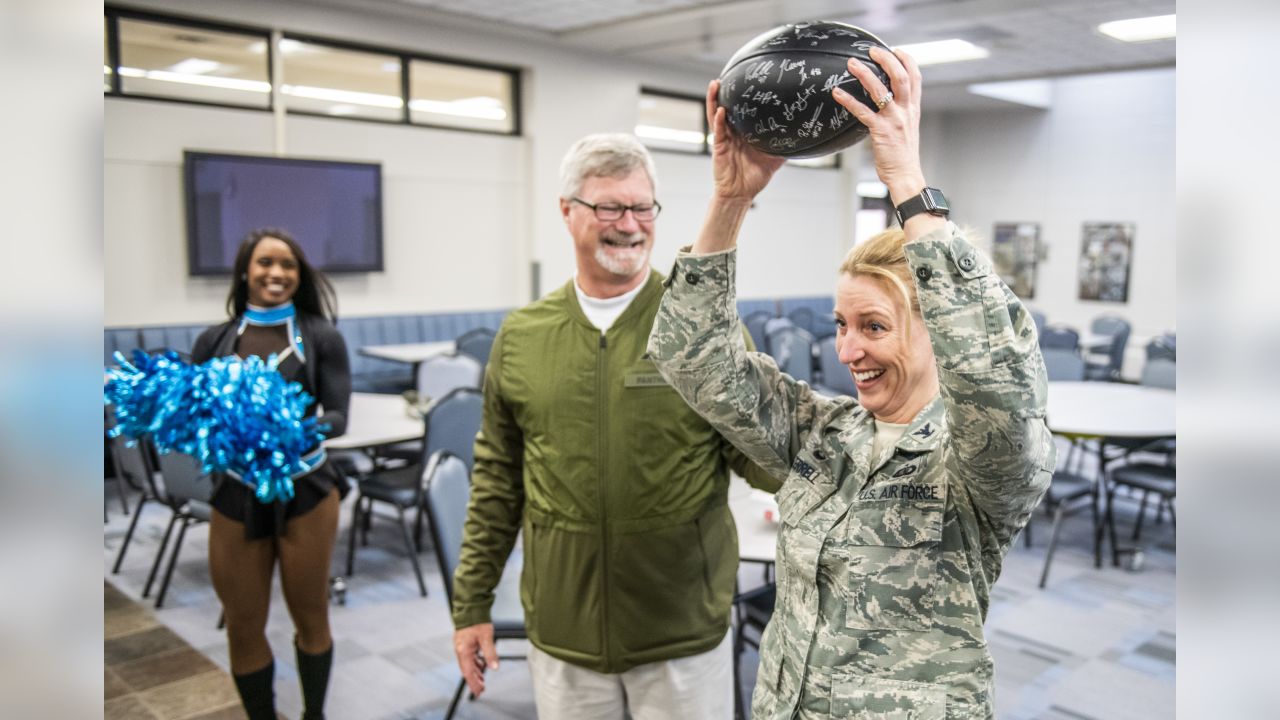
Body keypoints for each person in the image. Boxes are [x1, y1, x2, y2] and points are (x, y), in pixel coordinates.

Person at [647, 48, 1056, 718]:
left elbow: (998, 383)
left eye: (873, 326)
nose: (848, 350)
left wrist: (906, 180)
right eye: (842, 325)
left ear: (934, 329)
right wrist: (729, 201)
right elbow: (695, 361)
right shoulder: (825, 434)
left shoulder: (980, 464)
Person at [450, 133, 779, 719]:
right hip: (564, 630)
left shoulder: (698, 326)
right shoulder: (524, 336)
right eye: (609, 207)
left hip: (681, 628)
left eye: (641, 207)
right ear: (567, 211)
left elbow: (764, 455)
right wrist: (471, 603)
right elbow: (497, 483)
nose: (629, 224)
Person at [191, 228, 351, 720]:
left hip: (307, 492)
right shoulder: (215, 340)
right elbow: (197, 417)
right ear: (246, 271)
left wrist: (284, 426)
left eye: (288, 265)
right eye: (265, 263)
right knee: (243, 623)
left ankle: (313, 716)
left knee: (311, 615)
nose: (276, 273)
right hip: (237, 495)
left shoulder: (321, 335)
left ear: (299, 276)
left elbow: (339, 417)